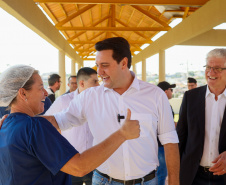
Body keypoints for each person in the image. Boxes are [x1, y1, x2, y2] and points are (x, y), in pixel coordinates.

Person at [43, 37, 180, 185]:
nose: (99, 71)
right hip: (103, 181)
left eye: (105, 65)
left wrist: (174, 181)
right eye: (97, 65)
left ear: (123, 63)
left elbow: (170, 141)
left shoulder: (156, 95)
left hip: (146, 181)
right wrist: (24, 121)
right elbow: (59, 121)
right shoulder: (90, 96)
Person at [0, 64, 140, 185]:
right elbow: (80, 167)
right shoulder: (34, 127)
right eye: (40, 88)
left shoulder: (5, 125)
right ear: (23, 93)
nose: (45, 94)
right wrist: (122, 134)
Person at [176, 48, 226, 185]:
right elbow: (180, 137)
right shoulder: (190, 97)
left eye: (217, 68)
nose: (211, 73)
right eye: (208, 67)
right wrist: (175, 174)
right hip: (193, 176)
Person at [45, 67, 99, 185]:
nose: (98, 85)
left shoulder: (101, 101)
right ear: (82, 83)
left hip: (95, 162)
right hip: (71, 162)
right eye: (95, 81)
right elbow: (46, 124)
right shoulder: (63, 101)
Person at [157, 81, 176, 185]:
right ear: (165, 92)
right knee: (162, 174)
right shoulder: (162, 105)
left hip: (159, 144)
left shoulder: (158, 103)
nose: (172, 92)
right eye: (170, 90)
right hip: (161, 145)